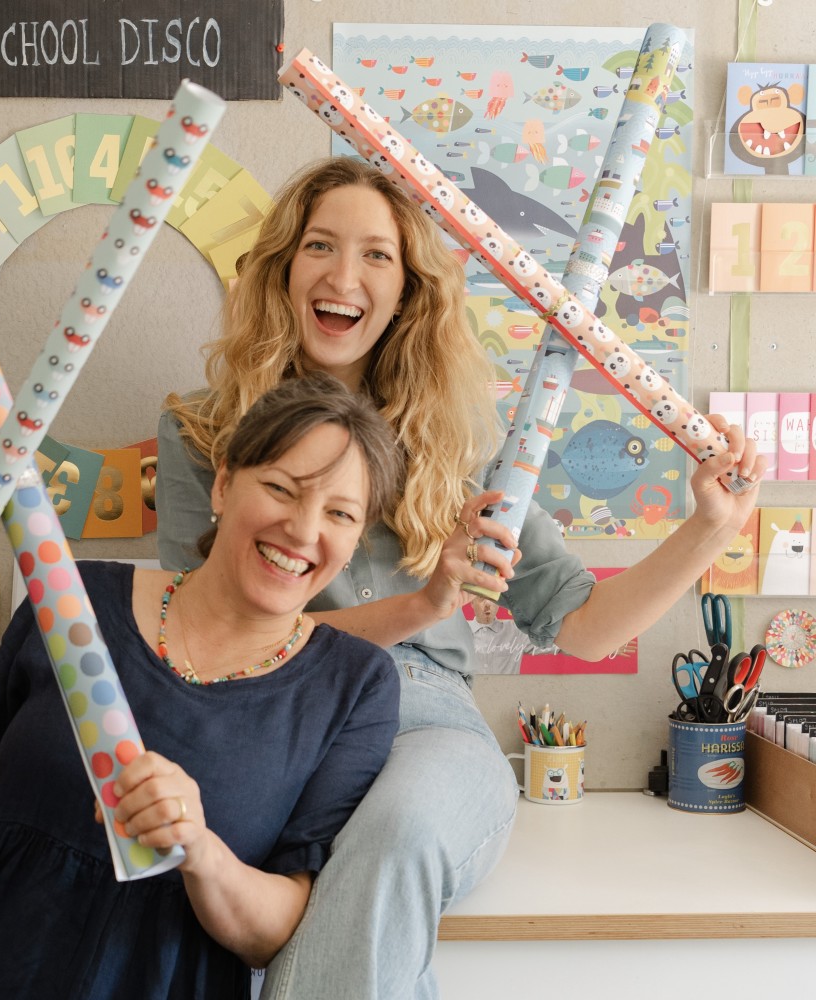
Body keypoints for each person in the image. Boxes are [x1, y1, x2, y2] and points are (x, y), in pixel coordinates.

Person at [156, 156, 766, 999]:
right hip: (268, 715)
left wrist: (710, 528)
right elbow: (201, 635)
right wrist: (424, 603)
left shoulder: (463, 445)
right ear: (281, 268)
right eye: (320, 246)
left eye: (377, 255)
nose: (344, 275)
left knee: (400, 834)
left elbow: (585, 628)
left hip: (423, 722)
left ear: (408, 288)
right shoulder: (202, 430)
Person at [0, 374, 404, 1000]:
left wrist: (197, 848)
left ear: (356, 542)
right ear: (222, 483)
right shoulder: (72, 598)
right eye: (279, 488)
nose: (302, 529)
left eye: (340, 514)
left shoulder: (355, 687)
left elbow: (275, 934)